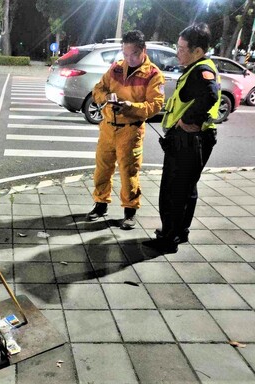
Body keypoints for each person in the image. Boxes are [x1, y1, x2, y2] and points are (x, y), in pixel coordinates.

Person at [143, 23, 221, 253]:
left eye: (181, 48)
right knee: (187, 188)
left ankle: (169, 238)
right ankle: (179, 232)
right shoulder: (197, 67)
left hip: (190, 140)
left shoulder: (201, 71)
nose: (178, 52)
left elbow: (210, 94)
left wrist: (188, 121)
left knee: (174, 190)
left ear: (197, 51)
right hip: (195, 139)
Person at [87, 30, 165, 229]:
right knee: (102, 170)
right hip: (107, 128)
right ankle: (100, 204)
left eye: (133, 54)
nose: (128, 59)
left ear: (143, 51)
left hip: (130, 131)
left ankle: (130, 211)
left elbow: (155, 105)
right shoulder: (116, 69)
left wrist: (131, 107)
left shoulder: (153, 75)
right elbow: (98, 89)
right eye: (125, 54)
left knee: (128, 173)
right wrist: (105, 98)